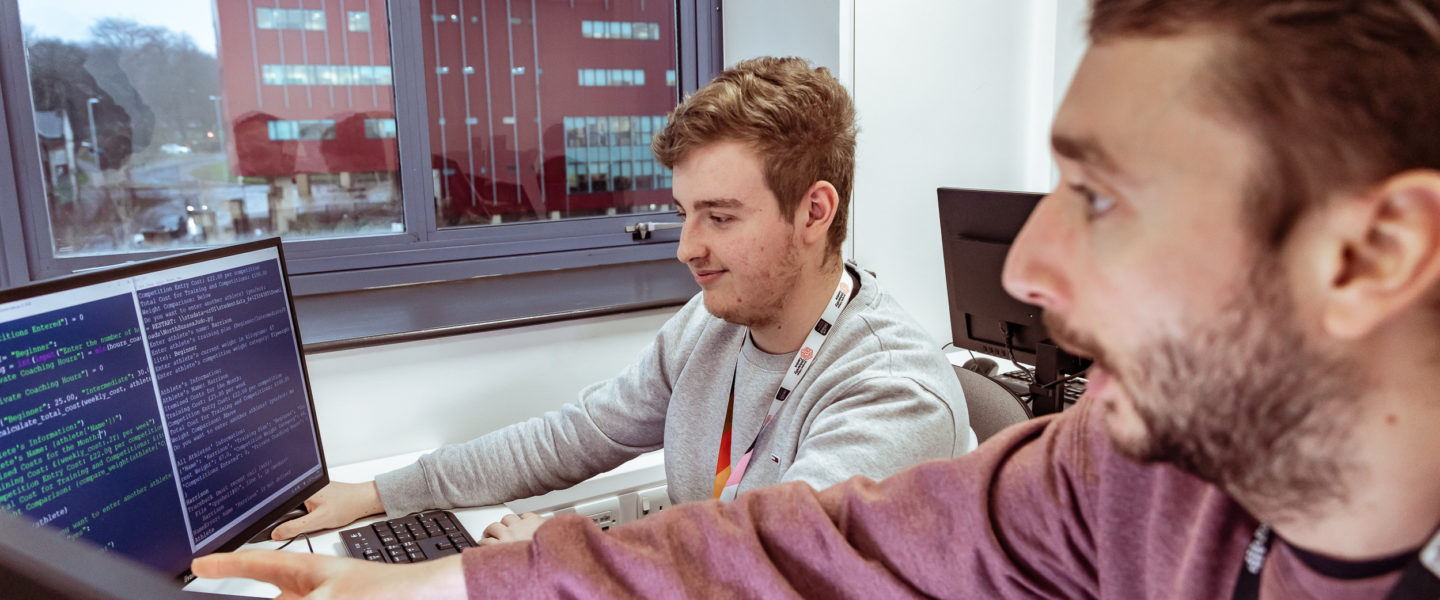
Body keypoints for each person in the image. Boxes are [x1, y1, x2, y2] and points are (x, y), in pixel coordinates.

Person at [197, 0, 1440, 596]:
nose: (1021, 272)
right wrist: (432, 576)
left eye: (1100, 196)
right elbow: (801, 546)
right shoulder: (1123, 482)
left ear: (1373, 254)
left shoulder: (896, 384)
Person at [262, 56, 972, 547]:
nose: (686, 248)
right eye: (684, 213)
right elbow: (576, 435)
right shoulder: (711, 324)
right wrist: (384, 492)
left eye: (720, 218)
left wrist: (563, 554)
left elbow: (765, 566)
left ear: (815, 212)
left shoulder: (889, 394)